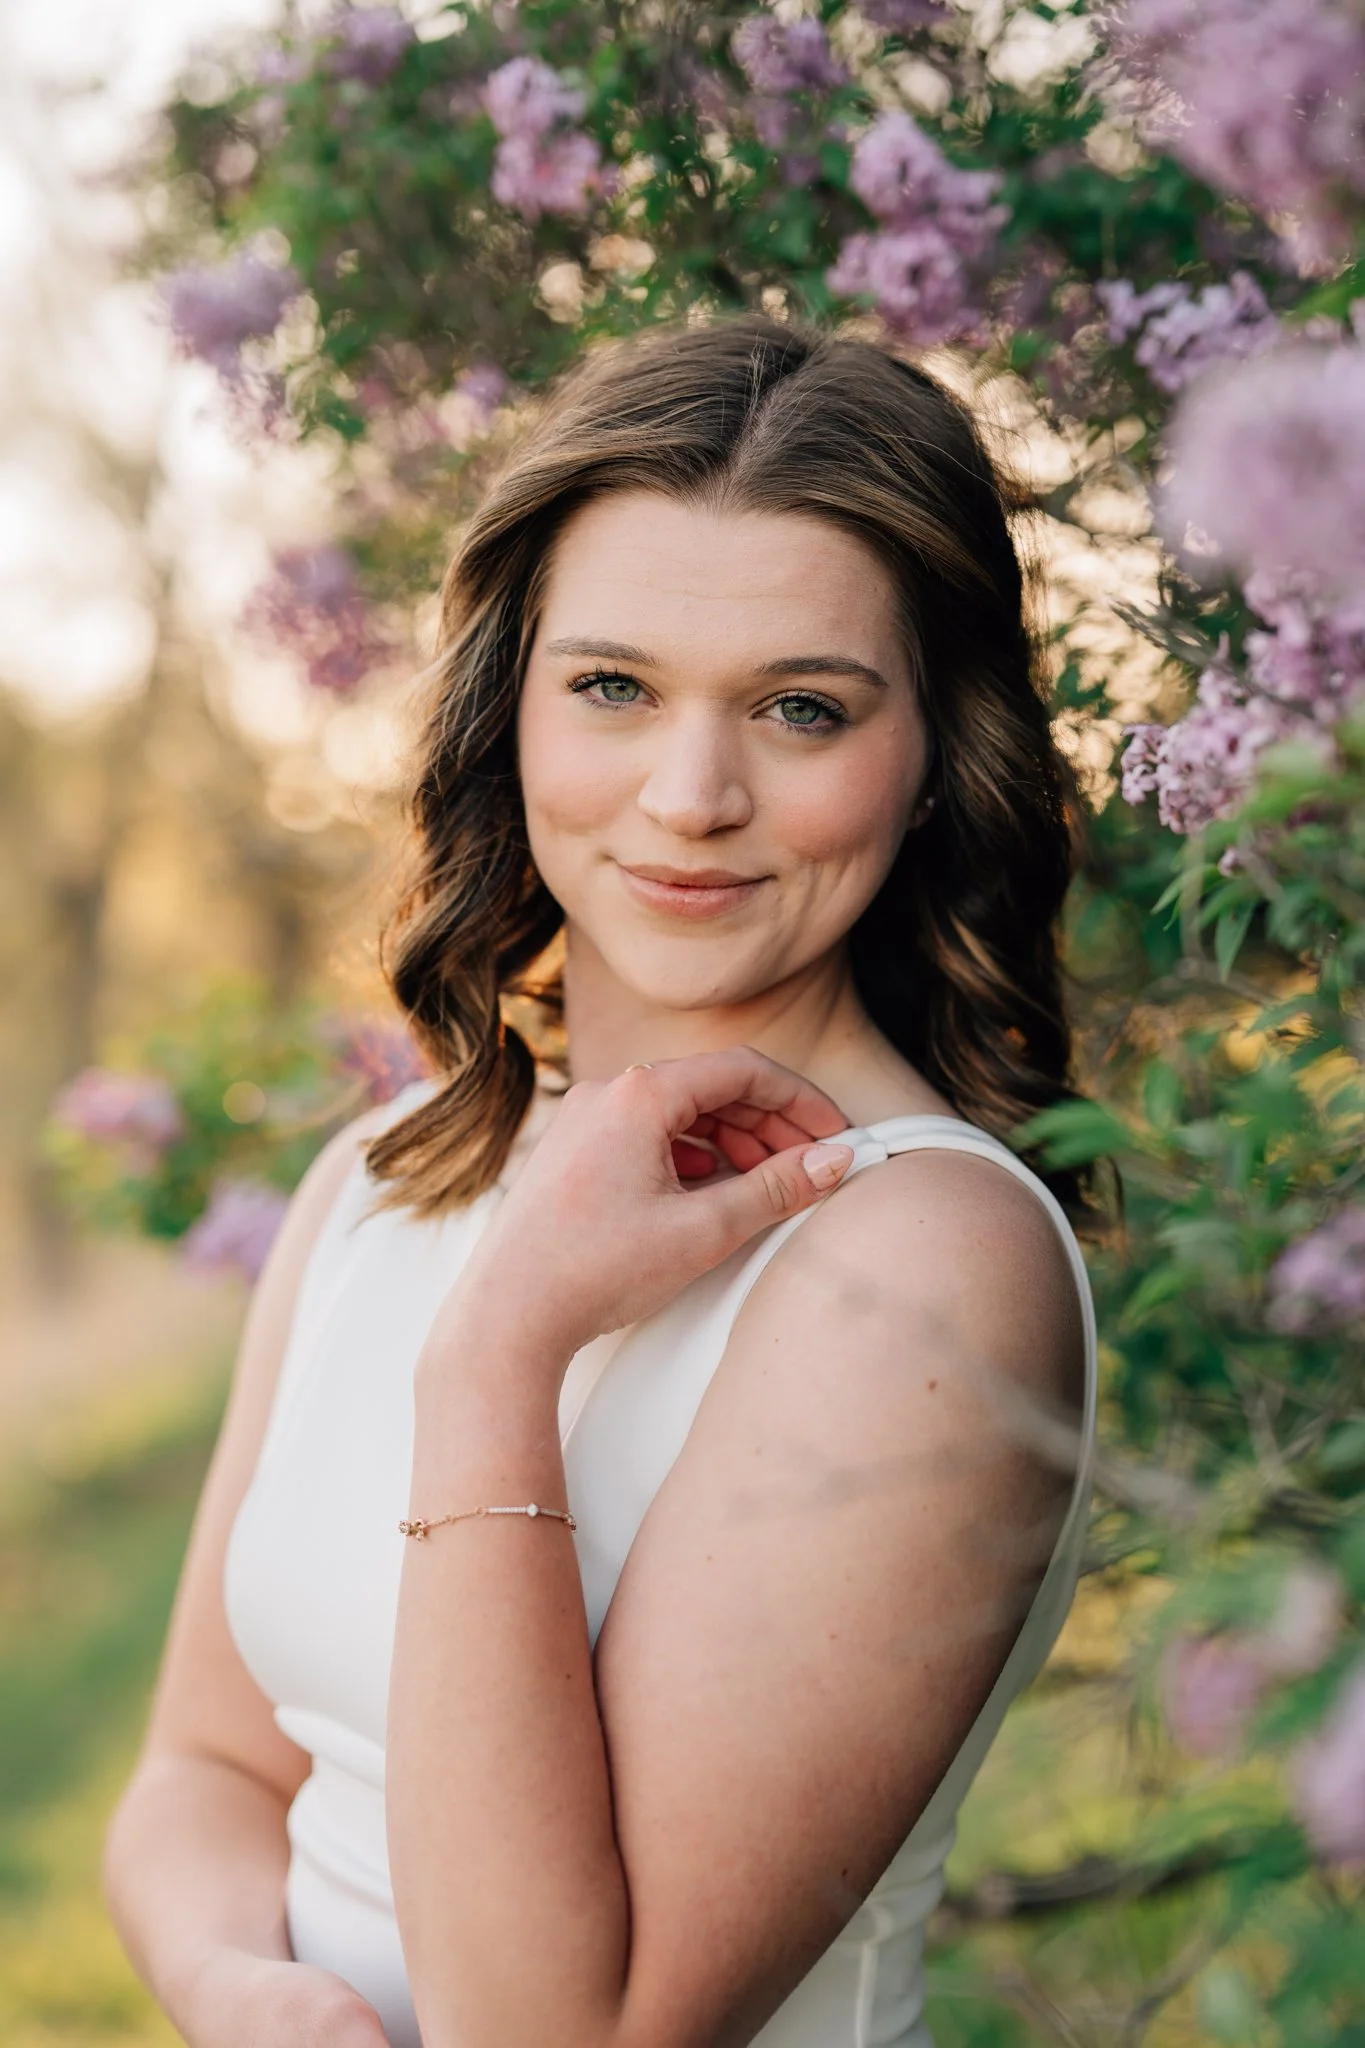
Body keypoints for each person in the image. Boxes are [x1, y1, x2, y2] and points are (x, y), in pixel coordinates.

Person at [103, 316, 1097, 2048]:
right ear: (516, 705)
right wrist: (235, 1990)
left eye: (802, 709)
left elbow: (561, 2030)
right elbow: (201, 1765)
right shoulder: (383, 1173)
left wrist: (498, 1357)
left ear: (936, 753)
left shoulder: (925, 1263)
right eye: (615, 687)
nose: (690, 796)